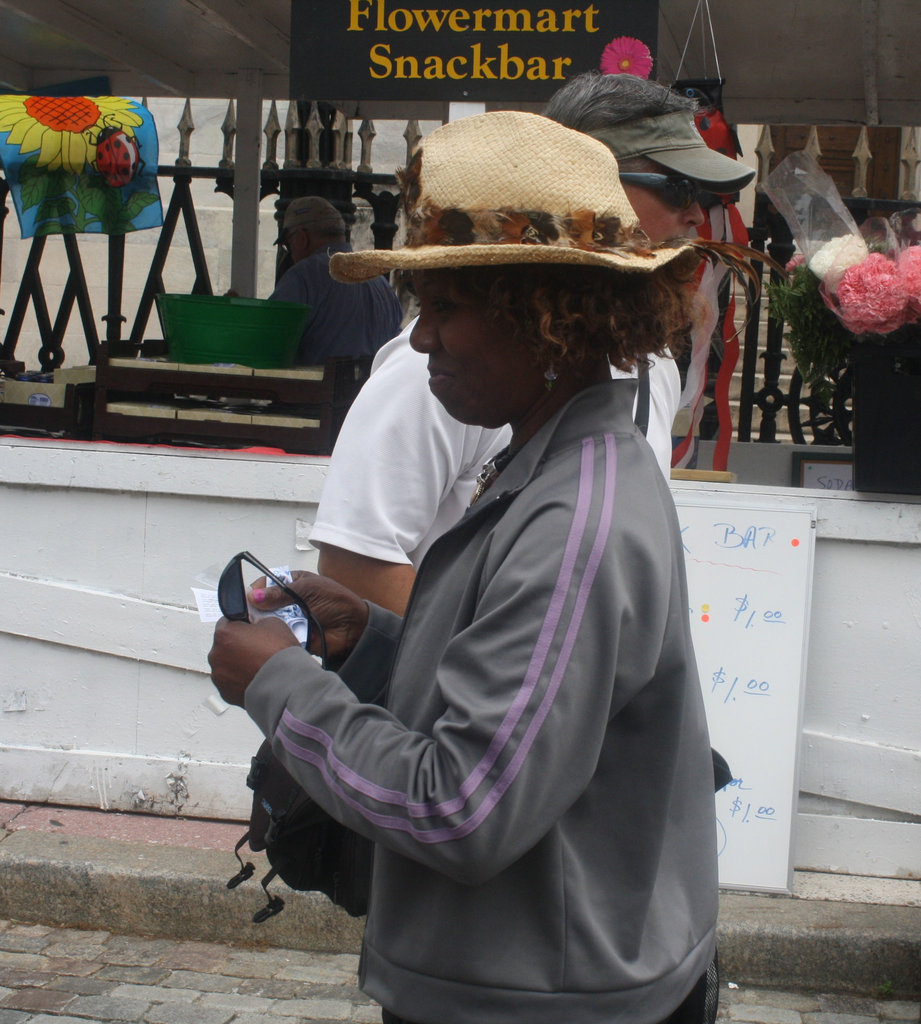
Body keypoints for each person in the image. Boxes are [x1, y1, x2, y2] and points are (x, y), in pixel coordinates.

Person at [210, 109, 747, 1024]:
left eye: (446, 309)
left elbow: (459, 805)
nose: (419, 340)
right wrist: (375, 635)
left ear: (546, 317)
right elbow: (523, 689)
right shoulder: (554, 461)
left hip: (541, 998)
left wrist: (283, 687)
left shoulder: (572, 514)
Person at [309, 73, 755, 614]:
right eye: (680, 188)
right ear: (592, 185)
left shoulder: (650, 361)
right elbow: (355, 561)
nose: (696, 215)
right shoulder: (441, 366)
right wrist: (469, 670)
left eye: (704, 195)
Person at [268, 195, 403, 365]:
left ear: (302, 238)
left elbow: (267, 342)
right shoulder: (379, 281)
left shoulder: (303, 276)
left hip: (316, 390)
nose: (291, 253)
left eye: (289, 243)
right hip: (371, 388)